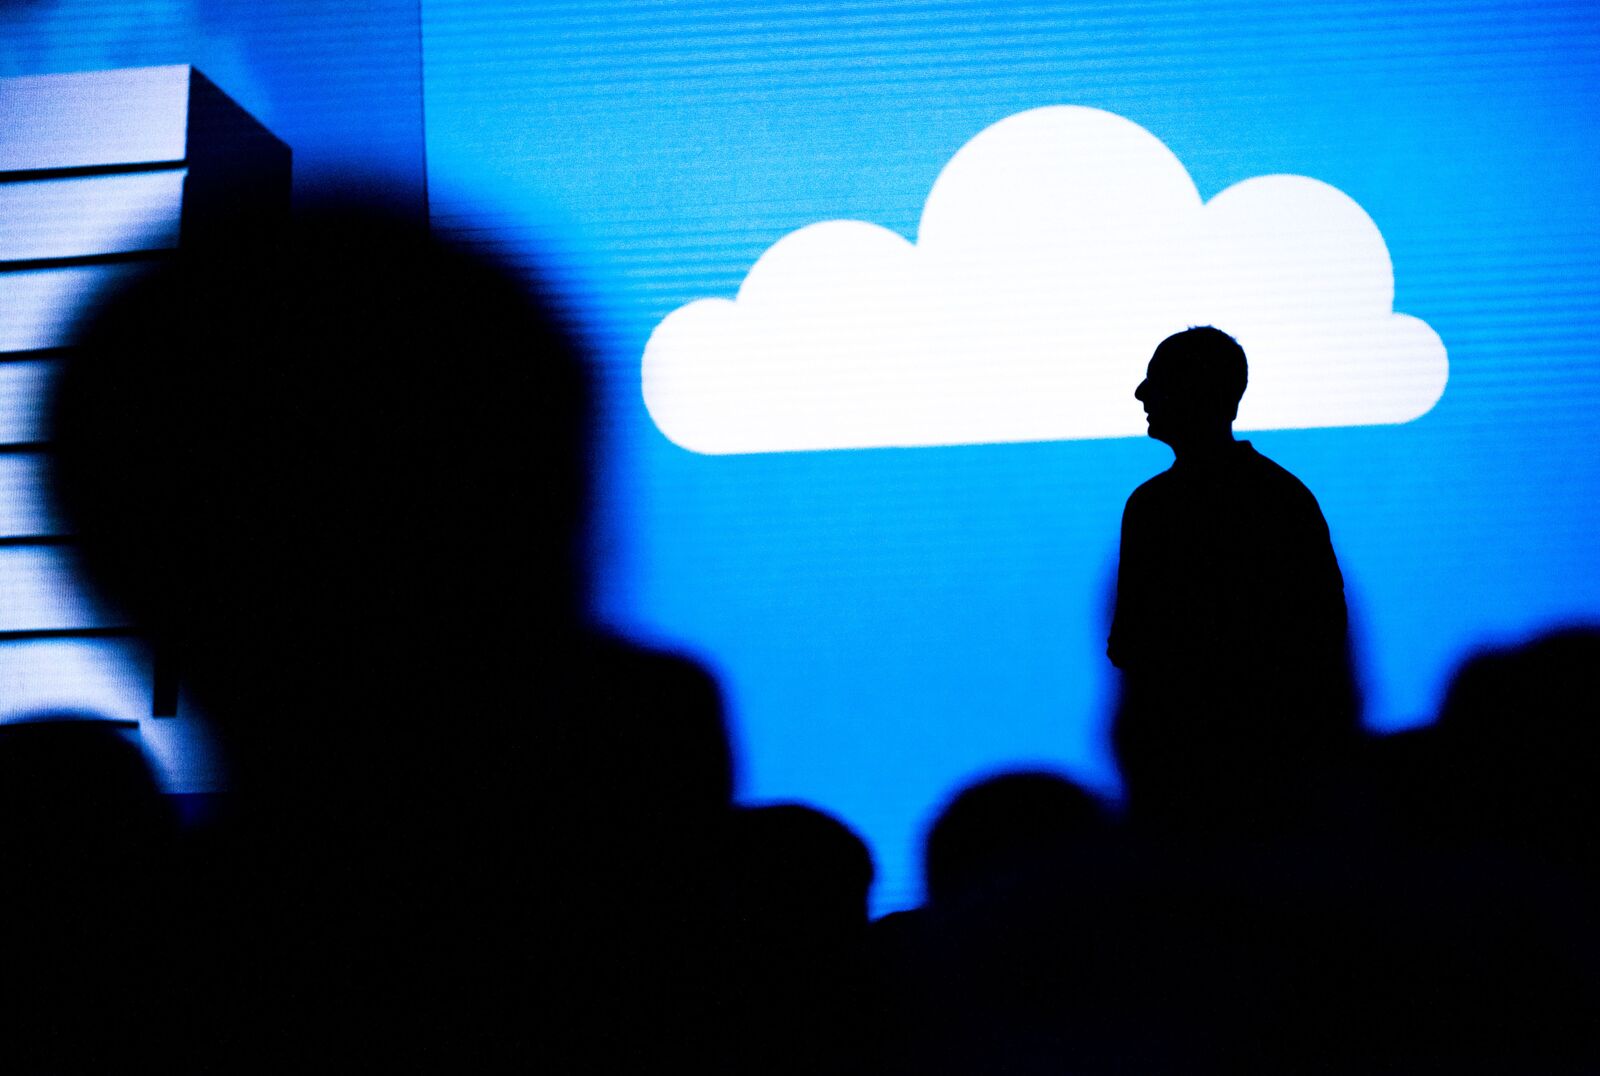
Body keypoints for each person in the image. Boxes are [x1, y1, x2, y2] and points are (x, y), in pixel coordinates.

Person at [1108, 327, 1354, 828]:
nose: (1141, 394)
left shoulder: (1153, 509)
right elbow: (1325, 634)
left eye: (1156, 380)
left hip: (1185, 778)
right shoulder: (1286, 498)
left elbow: (1129, 646)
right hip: (1280, 775)